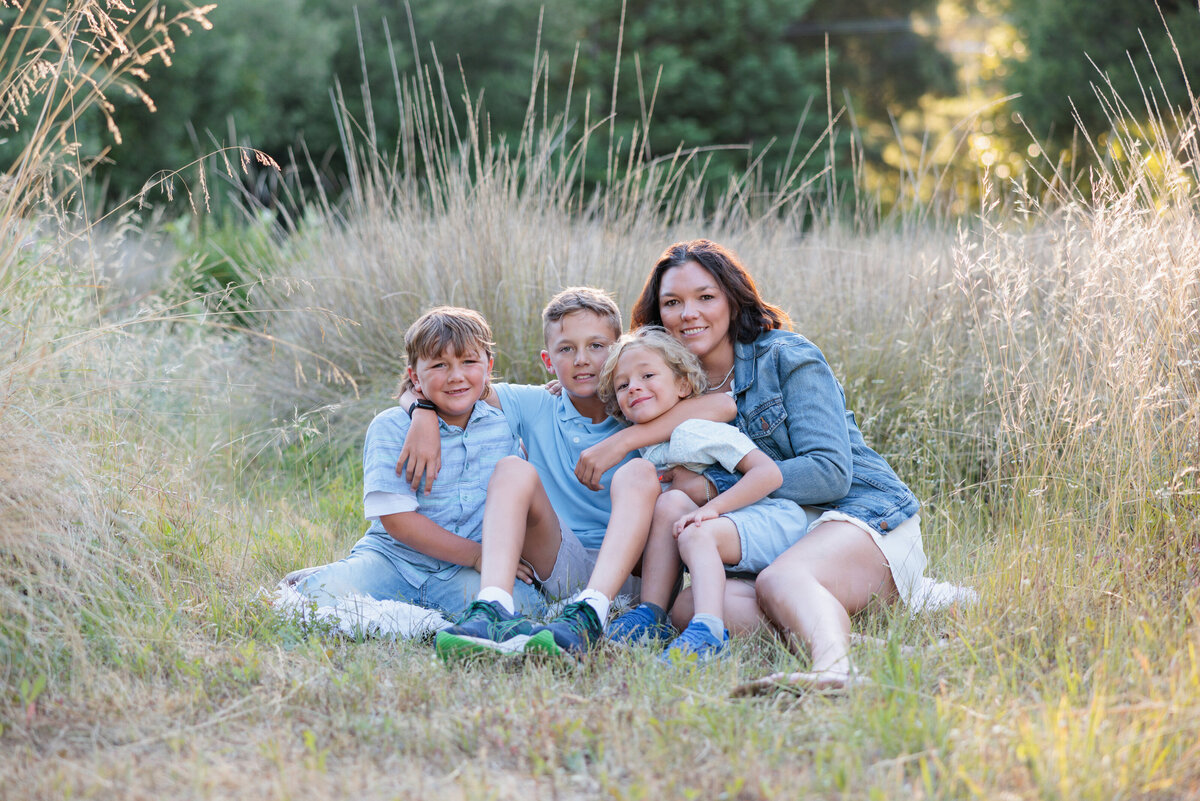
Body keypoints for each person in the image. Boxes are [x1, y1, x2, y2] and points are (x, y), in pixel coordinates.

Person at [575, 239, 928, 688]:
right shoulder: (668, 383)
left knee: (781, 580)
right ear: (657, 315)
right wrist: (564, 391)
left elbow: (830, 473)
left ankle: (835, 670)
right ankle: (859, 641)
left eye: (705, 297)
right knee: (690, 608)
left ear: (731, 299)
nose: (689, 314)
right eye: (672, 303)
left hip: (861, 517)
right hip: (778, 529)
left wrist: (714, 490)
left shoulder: (786, 355)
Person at [393, 288, 735, 659]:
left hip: (639, 575)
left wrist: (623, 441)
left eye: (597, 346)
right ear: (548, 360)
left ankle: (593, 611)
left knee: (637, 470)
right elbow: (453, 387)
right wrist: (422, 411)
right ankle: (493, 606)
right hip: (560, 563)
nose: (582, 360)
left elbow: (722, 403)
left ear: (619, 349)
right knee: (512, 468)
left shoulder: (645, 403)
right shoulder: (537, 404)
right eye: (566, 349)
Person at [581, 327, 811, 664]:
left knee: (694, 533)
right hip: (732, 528)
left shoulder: (694, 429)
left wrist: (712, 509)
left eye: (647, 375)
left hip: (771, 521)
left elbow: (768, 473)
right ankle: (653, 615)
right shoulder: (650, 442)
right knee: (670, 503)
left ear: (684, 386)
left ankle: (710, 632)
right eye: (623, 385)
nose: (635, 387)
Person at [293, 306, 538, 617]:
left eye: (469, 361)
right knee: (311, 601)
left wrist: (483, 560)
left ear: (488, 366)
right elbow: (398, 521)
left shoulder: (504, 426)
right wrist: (478, 555)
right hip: (394, 561)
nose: (456, 376)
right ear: (414, 377)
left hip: (461, 572)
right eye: (439, 364)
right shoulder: (391, 427)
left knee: (527, 608)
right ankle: (342, 573)